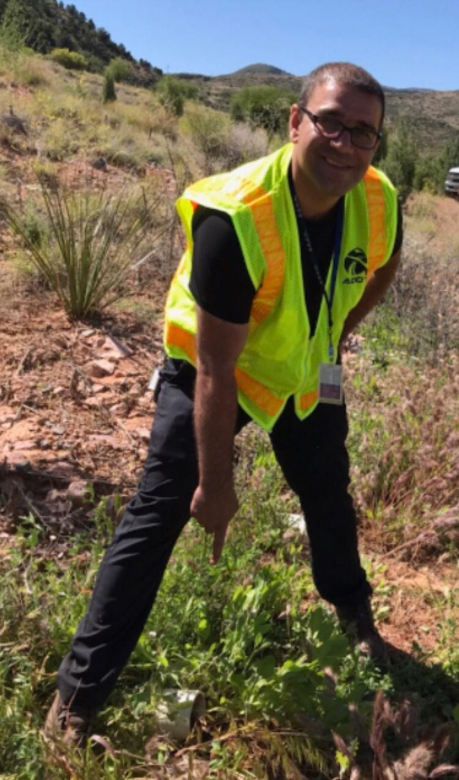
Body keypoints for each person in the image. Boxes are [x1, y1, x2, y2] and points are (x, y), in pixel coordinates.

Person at [45, 62, 402, 746]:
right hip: (209, 373)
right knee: (158, 513)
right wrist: (216, 485)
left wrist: (334, 334)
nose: (344, 143)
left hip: (297, 372)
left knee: (327, 489)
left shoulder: (377, 197)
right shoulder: (234, 217)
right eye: (329, 121)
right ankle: (77, 696)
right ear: (295, 120)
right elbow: (215, 366)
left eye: (363, 132)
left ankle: (353, 615)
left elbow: (382, 265)